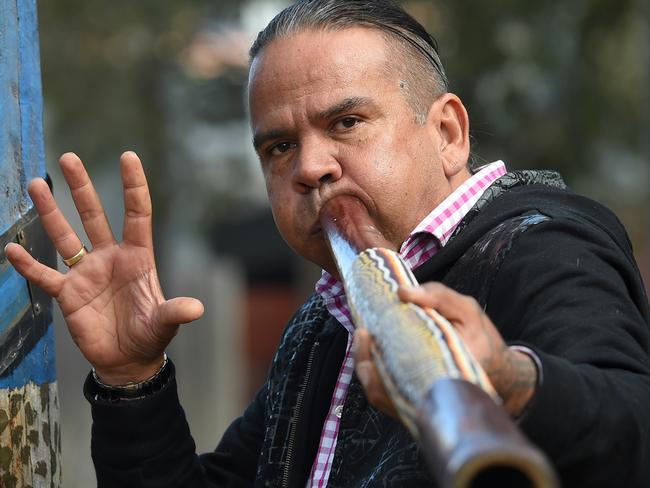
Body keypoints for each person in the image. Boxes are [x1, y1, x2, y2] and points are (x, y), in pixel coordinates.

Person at [5, 0, 650, 486]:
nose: (311, 167)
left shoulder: (540, 242)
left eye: (347, 122)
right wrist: (131, 380)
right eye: (279, 146)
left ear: (448, 133)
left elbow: (632, 424)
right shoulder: (323, 325)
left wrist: (513, 384)